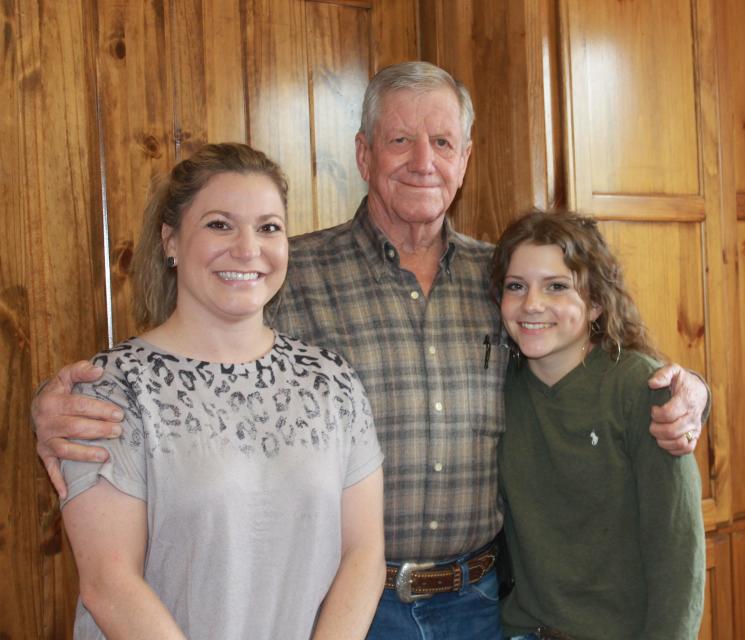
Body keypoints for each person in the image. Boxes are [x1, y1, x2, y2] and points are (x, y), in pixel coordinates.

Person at [32, 62, 709, 639]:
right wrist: (53, 406)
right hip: (345, 606)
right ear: (363, 154)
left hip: (482, 602)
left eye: (443, 141)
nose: (424, 161)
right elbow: (185, 360)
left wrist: (685, 389)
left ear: (465, 158)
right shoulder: (286, 272)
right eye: (400, 140)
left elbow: (594, 353)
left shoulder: (507, 284)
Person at [58, 143, 385, 639]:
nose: (248, 248)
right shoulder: (115, 391)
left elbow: (364, 555)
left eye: (268, 227)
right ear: (170, 239)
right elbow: (109, 584)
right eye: (219, 224)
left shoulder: (332, 382)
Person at [491, 210, 705, 640]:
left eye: (556, 286)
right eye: (516, 286)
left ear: (595, 303)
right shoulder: (498, 387)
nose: (532, 303)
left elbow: (678, 553)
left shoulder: (641, 388)